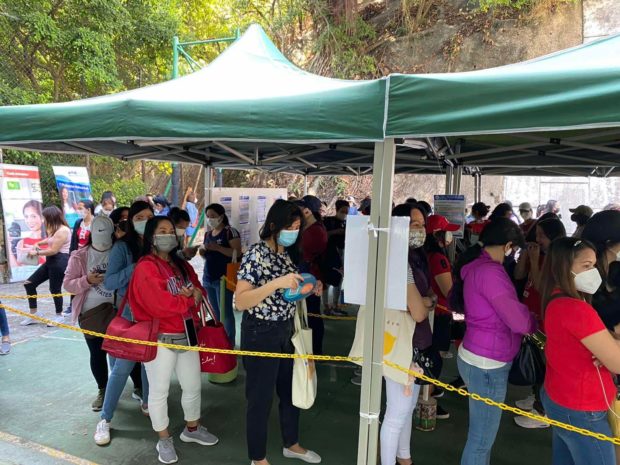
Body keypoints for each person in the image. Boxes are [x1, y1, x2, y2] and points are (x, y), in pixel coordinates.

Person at [235, 199, 321, 465]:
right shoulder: (256, 253)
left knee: (289, 390)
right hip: (260, 332)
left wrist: (310, 286)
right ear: (273, 225)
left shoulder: (286, 253)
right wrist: (275, 284)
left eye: (297, 227)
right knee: (259, 399)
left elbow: (290, 291)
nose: (294, 231)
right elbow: (241, 300)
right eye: (290, 226)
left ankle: (291, 443)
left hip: (286, 330)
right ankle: (257, 458)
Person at [129, 216, 219, 464]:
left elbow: (197, 288)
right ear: (151, 237)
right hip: (159, 337)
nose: (169, 235)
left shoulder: (181, 264)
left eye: (172, 230)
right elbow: (159, 304)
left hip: (186, 333)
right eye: (162, 231)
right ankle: (164, 439)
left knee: (192, 385)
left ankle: (192, 428)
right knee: (159, 392)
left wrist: (193, 295)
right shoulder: (145, 267)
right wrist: (189, 299)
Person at [452, 218, 536, 465]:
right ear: (508, 245)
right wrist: (534, 321)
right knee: (481, 440)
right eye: (514, 249)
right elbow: (518, 321)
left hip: (475, 354)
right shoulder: (491, 272)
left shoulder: (476, 265)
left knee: (480, 436)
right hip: (488, 363)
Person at [540, 237, 620, 465]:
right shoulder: (577, 309)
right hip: (583, 409)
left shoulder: (556, 299)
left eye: (594, 265)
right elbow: (617, 363)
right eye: (586, 266)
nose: (593, 272)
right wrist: (611, 345)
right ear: (564, 268)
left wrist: (609, 342)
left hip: (560, 397)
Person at [94, 200, 152, 446]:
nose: (145, 221)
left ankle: (149, 403)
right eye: (140, 217)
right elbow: (110, 282)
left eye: (150, 216)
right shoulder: (122, 248)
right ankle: (105, 419)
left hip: (155, 315)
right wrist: (136, 267)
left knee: (151, 364)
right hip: (129, 314)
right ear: (131, 221)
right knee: (122, 368)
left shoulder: (157, 245)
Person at [380, 206, 428, 465]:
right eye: (412, 224)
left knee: (406, 408)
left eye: (421, 224)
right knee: (397, 412)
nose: (419, 230)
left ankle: (404, 457)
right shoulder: (397, 260)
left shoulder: (414, 257)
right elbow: (419, 311)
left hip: (413, 341)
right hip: (400, 342)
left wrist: (424, 302)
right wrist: (427, 303)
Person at [513, 218, 566, 428]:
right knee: (535, 361)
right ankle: (535, 395)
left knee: (545, 365)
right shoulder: (537, 253)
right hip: (531, 317)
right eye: (536, 235)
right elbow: (518, 274)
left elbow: (541, 288)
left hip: (546, 321)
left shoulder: (557, 260)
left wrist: (534, 261)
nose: (538, 240)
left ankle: (542, 411)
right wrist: (526, 253)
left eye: (542, 236)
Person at [63, 216, 116, 411]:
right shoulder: (79, 256)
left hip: (119, 312)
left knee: (127, 352)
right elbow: (68, 284)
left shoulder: (120, 252)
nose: (101, 236)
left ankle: (137, 387)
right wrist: (87, 280)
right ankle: (103, 389)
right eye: (97, 231)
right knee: (97, 353)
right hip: (91, 313)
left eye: (105, 231)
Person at [200, 203, 241, 345]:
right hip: (208, 277)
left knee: (226, 313)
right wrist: (203, 253)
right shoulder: (207, 234)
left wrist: (218, 248)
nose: (210, 219)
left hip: (224, 278)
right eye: (208, 216)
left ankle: (229, 342)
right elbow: (209, 256)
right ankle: (220, 340)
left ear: (221, 216)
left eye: (213, 216)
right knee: (215, 312)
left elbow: (237, 252)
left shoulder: (230, 232)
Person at [22, 206, 71, 326]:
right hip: (51, 261)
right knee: (29, 284)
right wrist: (37, 243)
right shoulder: (54, 229)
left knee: (54, 289)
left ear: (51, 217)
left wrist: (37, 252)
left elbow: (54, 250)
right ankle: (34, 314)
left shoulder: (63, 230)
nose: (43, 220)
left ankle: (59, 316)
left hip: (60, 261)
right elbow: (50, 240)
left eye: (44, 217)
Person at [295, 195, 327, 356]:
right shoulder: (307, 228)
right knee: (307, 313)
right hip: (304, 275)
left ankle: (315, 350)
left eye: (300, 208)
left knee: (312, 313)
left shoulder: (315, 231)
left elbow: (307, 254)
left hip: (312, 277)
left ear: (307, 211)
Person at [425, 214, 459, 358]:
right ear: (437, 235)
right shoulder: (439, 259)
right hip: (440, 312)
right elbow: (448, 291)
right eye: (446, 231)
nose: (449, 235)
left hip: (432, 310)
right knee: (436, 356)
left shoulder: (425, 254)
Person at [321, 199, 348, 316]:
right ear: (337, 210)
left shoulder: (348, 223)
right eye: (343, 211)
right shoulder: (328, 221)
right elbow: (323, 236)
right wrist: (337, 232)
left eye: (347, 212)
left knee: (339, 280)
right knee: (326, 280)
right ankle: (326, 307)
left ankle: (336, 305)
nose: (345, 214)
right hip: (329, 254)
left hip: (342, 253)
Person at [13, 200, 45, 267]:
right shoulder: (21, 243)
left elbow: (59, 263)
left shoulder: (52, 239)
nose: (29, 221)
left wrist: (38, 252)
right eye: (26, 217)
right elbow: (18, 268)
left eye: (33, 216)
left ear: (42, 218)